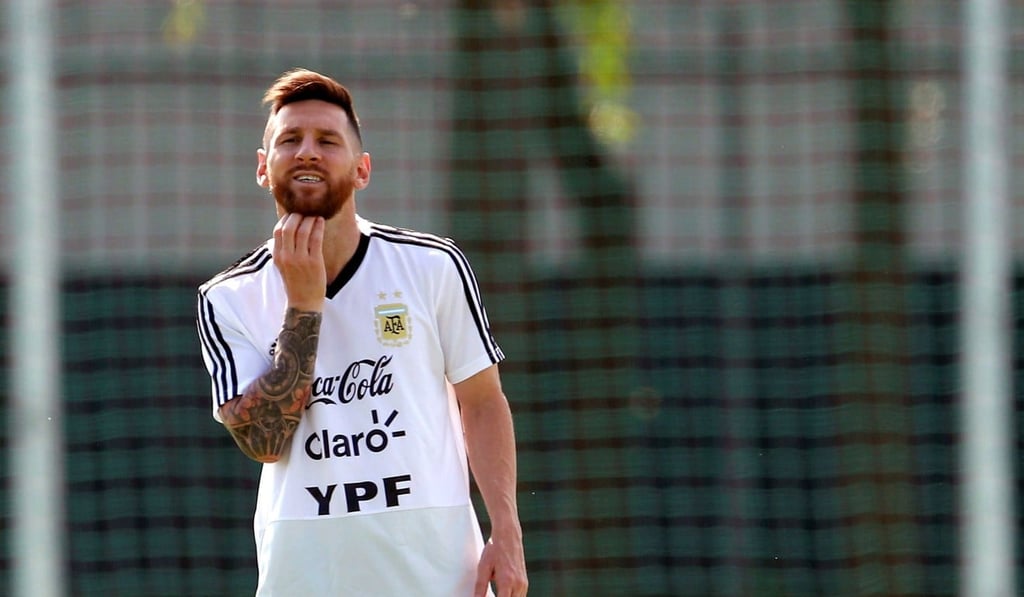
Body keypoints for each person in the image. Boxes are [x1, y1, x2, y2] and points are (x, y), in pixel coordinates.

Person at [196, 68, 528, 597]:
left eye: (327, 141)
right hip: (306, 576)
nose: (307, 152)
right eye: (290, 140)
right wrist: (304, 306)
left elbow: (483, 401)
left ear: (362, 169)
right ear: (263, 168)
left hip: (439, 574)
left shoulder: (432, 265)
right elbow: (264, 441)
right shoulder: (226, 298)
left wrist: (507, 533)